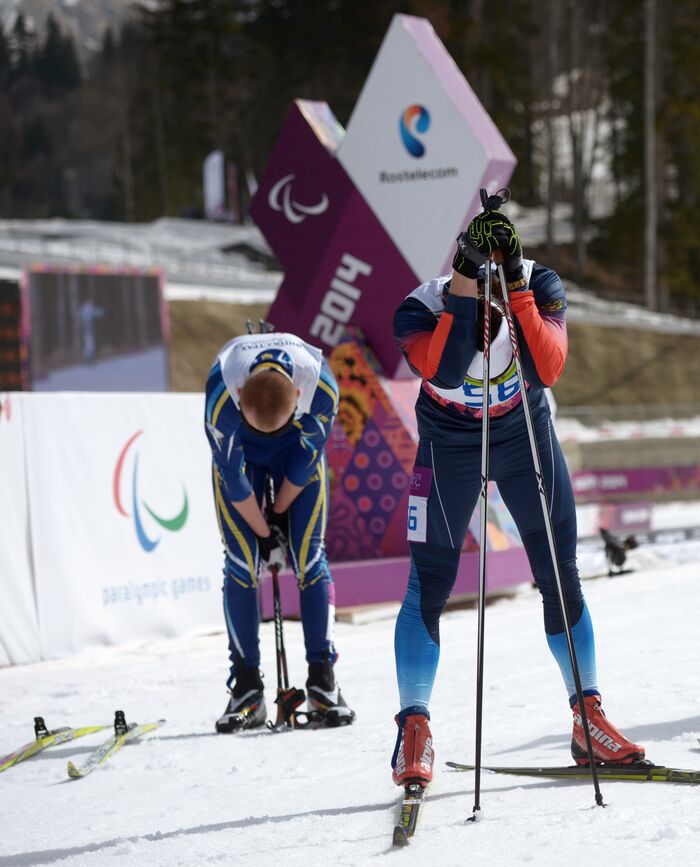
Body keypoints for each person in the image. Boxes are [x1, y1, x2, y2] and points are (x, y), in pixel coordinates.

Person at [389, 194, 645, 788]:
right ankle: (414, 729)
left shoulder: (538, 283)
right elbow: (447, 370)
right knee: (427, 582)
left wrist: (514, 282)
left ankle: (588, 716)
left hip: (519, 428)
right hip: (448, 440)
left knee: (559, 571)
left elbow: (548, 366)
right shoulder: (416, 308)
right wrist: (465, 284)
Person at [204, 331, 352, 732]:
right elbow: (233, 481)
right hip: (243, 453)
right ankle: (246, 686)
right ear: (239, 394)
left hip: (295, 449)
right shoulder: (221, 394)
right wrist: (265, 533)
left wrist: (281, 512)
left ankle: (323, 678)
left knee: (309, 559)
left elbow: (305, 465)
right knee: (240, 563)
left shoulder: (321, 386)